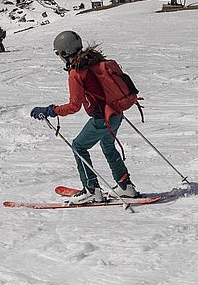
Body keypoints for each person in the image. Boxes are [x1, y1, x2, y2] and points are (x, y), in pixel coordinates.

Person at [30, 30, 139, 204]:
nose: (59, 57)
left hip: (101, 119)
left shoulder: (77, 72)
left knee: (78, 146)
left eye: (59, 54)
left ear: (65, 53)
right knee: (108, 146)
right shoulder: (95, 61)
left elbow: (74, 105)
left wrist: (51, 110)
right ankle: (125, 186)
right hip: (115, 114)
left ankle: (91, 190)